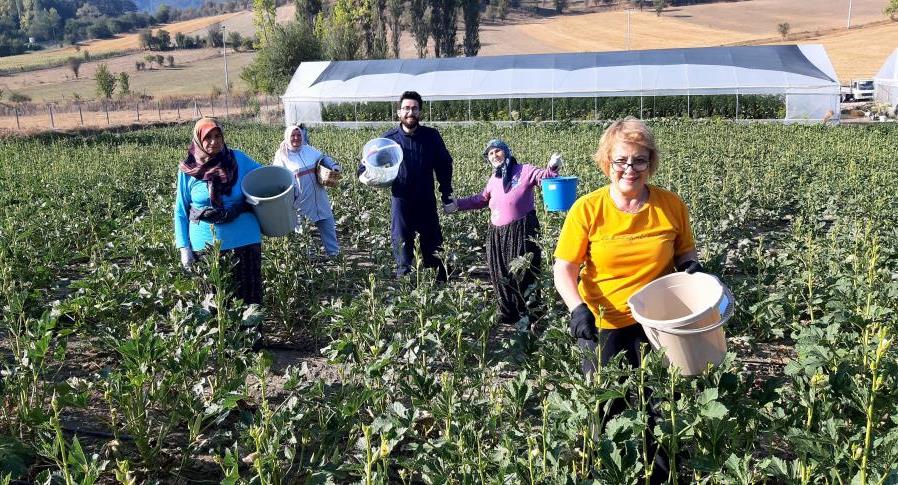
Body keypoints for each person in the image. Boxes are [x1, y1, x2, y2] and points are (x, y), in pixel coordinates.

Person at [552, 118, 702, 483]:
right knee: (608, 411)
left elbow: (685, 252)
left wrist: (693, 269)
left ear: (651, 162)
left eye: (639, 160)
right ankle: (612, 474)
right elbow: (564, 269)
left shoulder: (670, 205)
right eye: (621, 160)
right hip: (606, 323)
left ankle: (660, 477)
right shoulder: (588, 209)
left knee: (662, 408)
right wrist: (577, 309)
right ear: (607, 162)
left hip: (660, 324)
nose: (629, 169)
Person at [446, 139, 562, 330]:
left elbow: (546, 177)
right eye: (490, 154)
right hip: (497, 233)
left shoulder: (524, 170)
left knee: (523, 271)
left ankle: (529, 311)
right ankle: (508, 311)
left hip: (522, 229)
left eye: (497, 151)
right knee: (500, 271)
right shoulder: (494, 179)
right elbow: (482, 199)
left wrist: (553, 166)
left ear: (506, 152)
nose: (494, 156)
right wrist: (458, 204)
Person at [174, 117, 264, 305]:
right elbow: (181, 211)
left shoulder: (238, 159)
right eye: (208, 137)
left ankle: (253, 336)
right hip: (206, 247)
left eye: (218, 136)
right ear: (198, 139)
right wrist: (184, 248)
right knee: (215, 306)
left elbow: (266, 178)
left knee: (249, 303)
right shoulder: (188, 170)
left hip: (245, 241)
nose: (214, 141)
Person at [379, 90, 454, 280]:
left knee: (434, 244)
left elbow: (444, 165)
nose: (410, 112)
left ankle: (440, 291)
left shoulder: (431, 136)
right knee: (402, 243)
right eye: (406, 108)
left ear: (420, 112)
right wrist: (366, 174)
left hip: (426, 200)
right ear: (398, 112)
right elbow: (368, 163)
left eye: (414, 108)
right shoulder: (389, 139)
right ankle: (405, 291)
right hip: (401, 201)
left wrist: (446, 194)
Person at [273, 124, 341, 258]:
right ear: (287, 137)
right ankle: (311, 261)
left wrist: (333, 165)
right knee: (304, 234)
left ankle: (334, 256)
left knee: (327, 225)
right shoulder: (282, 157)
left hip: (319, 197)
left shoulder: (309, 150)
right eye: (293, 135)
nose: (296, 138)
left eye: (299, 135)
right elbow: (278, 179)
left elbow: (323, 158)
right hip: (300, 202)